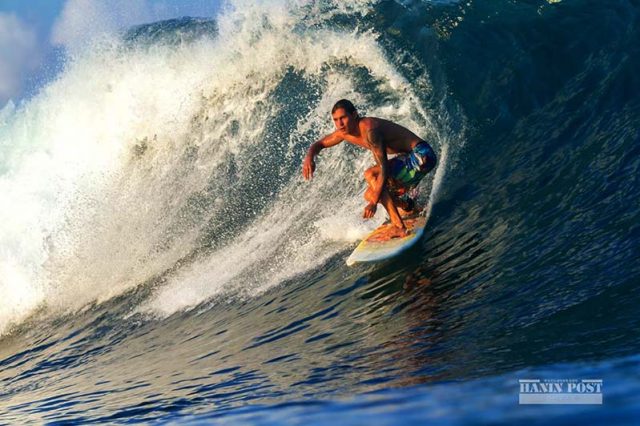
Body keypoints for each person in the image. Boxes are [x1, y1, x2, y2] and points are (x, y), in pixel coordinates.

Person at [302, 99, 437, 239]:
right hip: (410, 159)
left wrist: (373, 204)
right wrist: (309, 157)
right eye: (336, 120)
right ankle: (408, 206)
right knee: (370, 194)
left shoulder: (370, 130)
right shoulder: (343, 133)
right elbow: (320, 144)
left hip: (421, 155)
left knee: (371, 174)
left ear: (354, 114)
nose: (339, 124)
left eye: (343, 118)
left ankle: (399, 226)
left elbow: (384, 170)